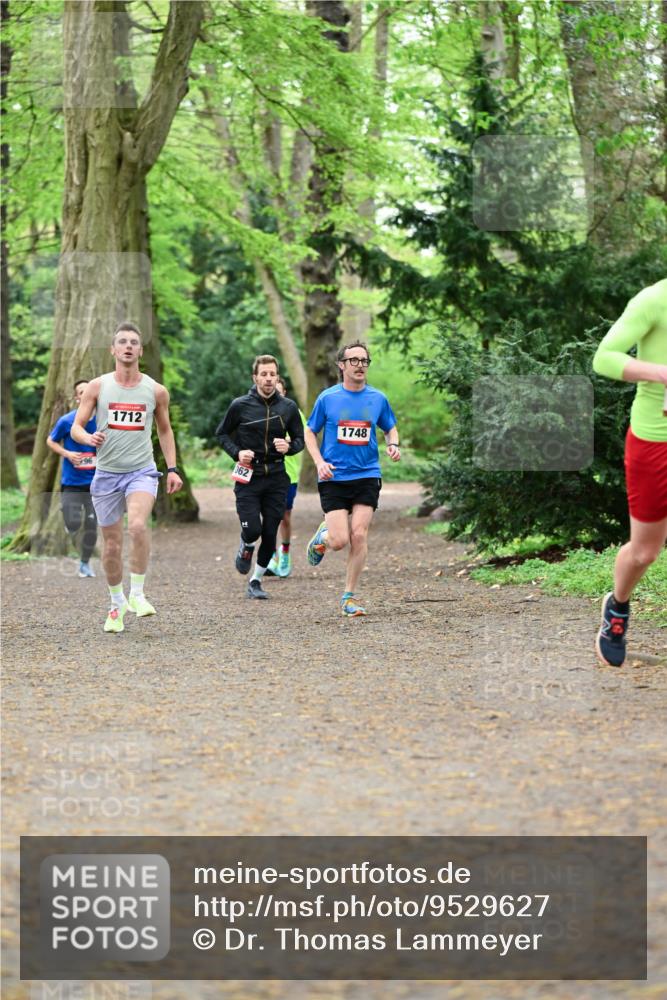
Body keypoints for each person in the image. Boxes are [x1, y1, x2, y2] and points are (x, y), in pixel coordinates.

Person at [72, 322, 183, 633]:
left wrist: (172, 469)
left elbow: (164, 429)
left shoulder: (156, 390)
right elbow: (76, 427)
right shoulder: (97, 386)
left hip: (141, 471)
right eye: (122, 342)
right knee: (110, 546)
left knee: (136, 525)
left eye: (134, 342)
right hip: (106, 474)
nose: (128, 346)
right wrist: (87, 438)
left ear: (141, 350)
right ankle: (115, 602)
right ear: (113, 350)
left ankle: (137, 594)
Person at [592, 278, 667, 666]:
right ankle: (617, 607)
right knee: (644, 551)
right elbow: (604, 358)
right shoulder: (654, 300)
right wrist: (661, 373)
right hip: (655, 439)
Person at [304, 340, 400, 617]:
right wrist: (319, 462)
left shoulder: (377, 398)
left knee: (359, 534)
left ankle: (348, 597)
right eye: (354, 360)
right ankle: (323, 538)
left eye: (364, 361)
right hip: (334, 476)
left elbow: (390, 428)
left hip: (367, 474)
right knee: (339, 541)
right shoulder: (328, 398)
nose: (360, 365)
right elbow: (310, 431)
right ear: (341, 365)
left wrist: (393, 444)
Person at [216, 355, 304, 600]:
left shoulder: (288, 407)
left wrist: (289, 446)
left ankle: (255, 581)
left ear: (277, 377)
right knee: (253, 528)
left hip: (277, 476)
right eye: (263, 374)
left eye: (272, 374)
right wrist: (237, 452)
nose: (268, 379)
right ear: (255, 377)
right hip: (249, 475)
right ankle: (246, 543)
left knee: (270, 531)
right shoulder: (240, 405)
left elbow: (300, 440)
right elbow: (222, 434)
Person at [46, 379, 98, 578]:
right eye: (81, 392)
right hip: (72, 482)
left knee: (92, 526)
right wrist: (67, 453)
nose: (85, 395)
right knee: (74, 523)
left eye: (88, 391)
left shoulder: (102, 421)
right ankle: (69, 517)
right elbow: (50, 440)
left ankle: (85, 563)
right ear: (77, 398)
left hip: (95, 484)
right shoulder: (67, 421)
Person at [266, 377, 306, 578]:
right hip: (264, 472)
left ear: (285, 393)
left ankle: (285, 553)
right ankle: (271, 556)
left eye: (280, 391)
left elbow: (303, 437)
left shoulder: (294, 412)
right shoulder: (260, 411)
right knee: (267, 516)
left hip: (287, 474)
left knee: (284, 517)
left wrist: (286, 441)